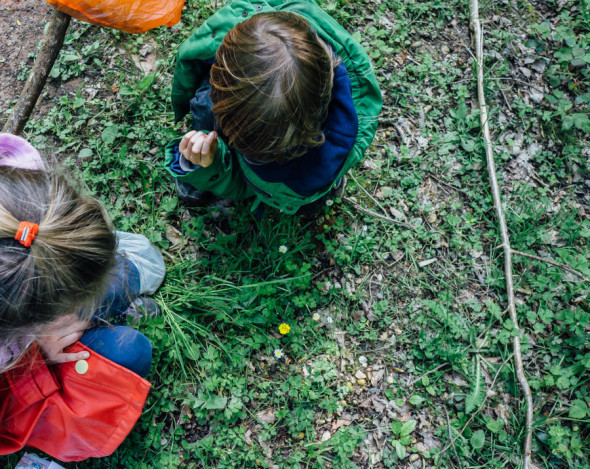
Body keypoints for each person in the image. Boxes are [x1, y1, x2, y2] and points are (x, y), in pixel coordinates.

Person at [0, 133, 165, 461]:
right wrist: (35, 352)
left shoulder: (16, 165)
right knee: (131, 350)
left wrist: (41, 331)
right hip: (12, 381)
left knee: (134, 268)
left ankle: (101, 307)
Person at [165, 1, 382, 215]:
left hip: (297, 173)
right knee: (204, 107)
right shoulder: (235, 36)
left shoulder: (343, 134)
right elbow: (191, 67)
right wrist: (205, 163)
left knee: (307, 198)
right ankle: (203, 165)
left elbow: (248, 183)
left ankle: (315, 195)